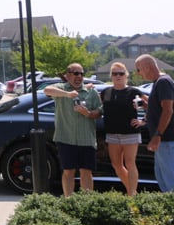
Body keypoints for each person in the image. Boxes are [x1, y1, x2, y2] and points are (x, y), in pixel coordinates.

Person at [43, 63, 102, 196]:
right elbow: (47, 90)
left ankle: (86, 202)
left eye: (81, 73)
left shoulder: (91, 92)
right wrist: (67, 94)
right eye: (76, 73)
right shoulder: (61, 89)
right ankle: (69, 201)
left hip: (86, 139)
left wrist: (88, 113)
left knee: (86, 172)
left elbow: (99, 112)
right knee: (68, 171)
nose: (79, 76)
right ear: (68, 75)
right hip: (66, 138)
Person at [100, 61, 145, 195]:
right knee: (117, 165)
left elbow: (151, 105)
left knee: (130, 163)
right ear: (111, 76)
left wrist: (143, 121)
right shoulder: (106, 92)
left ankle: (131, 195)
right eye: (115, 74)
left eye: (121, 73)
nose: (118, 76)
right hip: (112, 133)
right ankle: (133, 193)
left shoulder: (133, 92)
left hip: (130, 133)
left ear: (126, 75)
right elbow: (97, 107)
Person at [135, 54, 174, 192]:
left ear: (148, 67)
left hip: (166, 140)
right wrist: (148, 106)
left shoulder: (163, 82)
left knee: (170, 182)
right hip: (163, 142)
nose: (138, 73)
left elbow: (168, 110)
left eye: (138, 69)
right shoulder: (159, 82)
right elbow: (161, 109)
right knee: (163, 180)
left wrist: (158, 135)